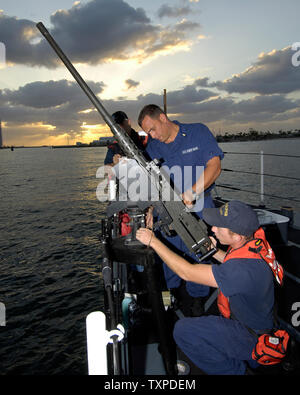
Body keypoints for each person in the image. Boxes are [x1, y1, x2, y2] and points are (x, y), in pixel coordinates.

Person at [136, 200, 281, 375]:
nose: (213, 229)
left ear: (237, 236)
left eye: (219, 227)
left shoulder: (241, 271)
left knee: (183, 331)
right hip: (258, 322)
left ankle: (237, 372)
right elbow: (234, 260)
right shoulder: (256, 244)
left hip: (250, 334)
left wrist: (153, 242)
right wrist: (213, 250)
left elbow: (187, 273)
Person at [138, 104, 224, 316]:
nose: (152, 135)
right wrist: (149, 210)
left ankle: (196, 298)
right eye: (147, 132)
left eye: (153, 129)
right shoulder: (152, 149)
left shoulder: (197, 132)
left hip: (199, 206)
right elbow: (151, 184)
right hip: (167, 211)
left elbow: (214, 166)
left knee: (200, 253)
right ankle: (171, 296)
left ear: (163, 118)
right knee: (168, 255)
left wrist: (191, 192)